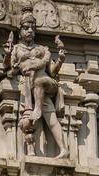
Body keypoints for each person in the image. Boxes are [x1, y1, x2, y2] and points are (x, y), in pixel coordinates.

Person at [4, 12, 66, 157]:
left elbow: (52, 71)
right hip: (30, 89)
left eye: (32, 28)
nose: (30, 31)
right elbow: (10, 70)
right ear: (20, 32)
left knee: (38, 81)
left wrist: (61, 60)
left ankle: (36, 110)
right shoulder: (16, 49)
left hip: (46, 82)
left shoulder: (43, 49)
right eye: (26, 28)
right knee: (52, 120)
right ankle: (64, 149)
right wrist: (7, 55)